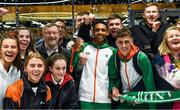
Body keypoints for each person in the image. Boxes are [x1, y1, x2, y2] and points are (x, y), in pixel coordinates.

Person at [108, 28, 156, 109]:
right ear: (116, 43)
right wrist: (113, 87)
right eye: (120, 42)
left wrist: (152, 107)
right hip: (125, 101)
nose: (123, 46)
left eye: (126, 42)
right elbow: (112, 78)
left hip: (141, 101)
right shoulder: (114, 58)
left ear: (132, 41)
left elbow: (149, 83)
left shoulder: (141, 57)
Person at [76, 21, 116, 109]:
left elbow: (115, 74)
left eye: (103, 30)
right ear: (93, 32)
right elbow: (74, 68)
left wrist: (113, 88)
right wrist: (79, 63)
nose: (100, 32)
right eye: (97, 30)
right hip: (85, 96)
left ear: (107, 32)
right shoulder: (84, 47)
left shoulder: (112, 51)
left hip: (104, 97)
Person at [152, 26, 180, 109]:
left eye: (177, 35)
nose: (174, 38)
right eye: (171, 36)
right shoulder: (158, 58)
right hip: (166, 102)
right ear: (166, 41)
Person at [0, 36, 21, 108]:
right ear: (0, 49)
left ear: (18, 50)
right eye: (5, 46)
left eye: (13, 47)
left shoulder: (16, 71)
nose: (9, 50)